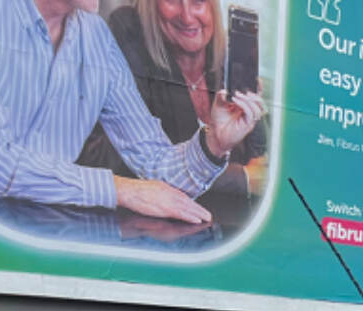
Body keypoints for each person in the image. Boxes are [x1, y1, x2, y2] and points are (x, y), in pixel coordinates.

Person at [0, 0, 263, 223]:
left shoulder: (96, 34)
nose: (187, 15)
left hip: (53, 242)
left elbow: (155, 162)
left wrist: (215, 142)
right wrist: (120, 189)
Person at [79, 0, 268, 197]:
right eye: (172, 1)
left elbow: (262, 158)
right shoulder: (130, 36)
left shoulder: (227, 59)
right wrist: (243, 178)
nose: (187, 17)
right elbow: (138, 164)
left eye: (198, 2)